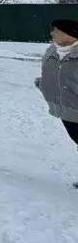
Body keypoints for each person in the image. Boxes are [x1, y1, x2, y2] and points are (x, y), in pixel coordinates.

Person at [36, 19, 78, 160]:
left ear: (70, 35)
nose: (52, 32)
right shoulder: (52, 50)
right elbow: (52, 73)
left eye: (57, 31)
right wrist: (43, 84)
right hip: (65, 110)